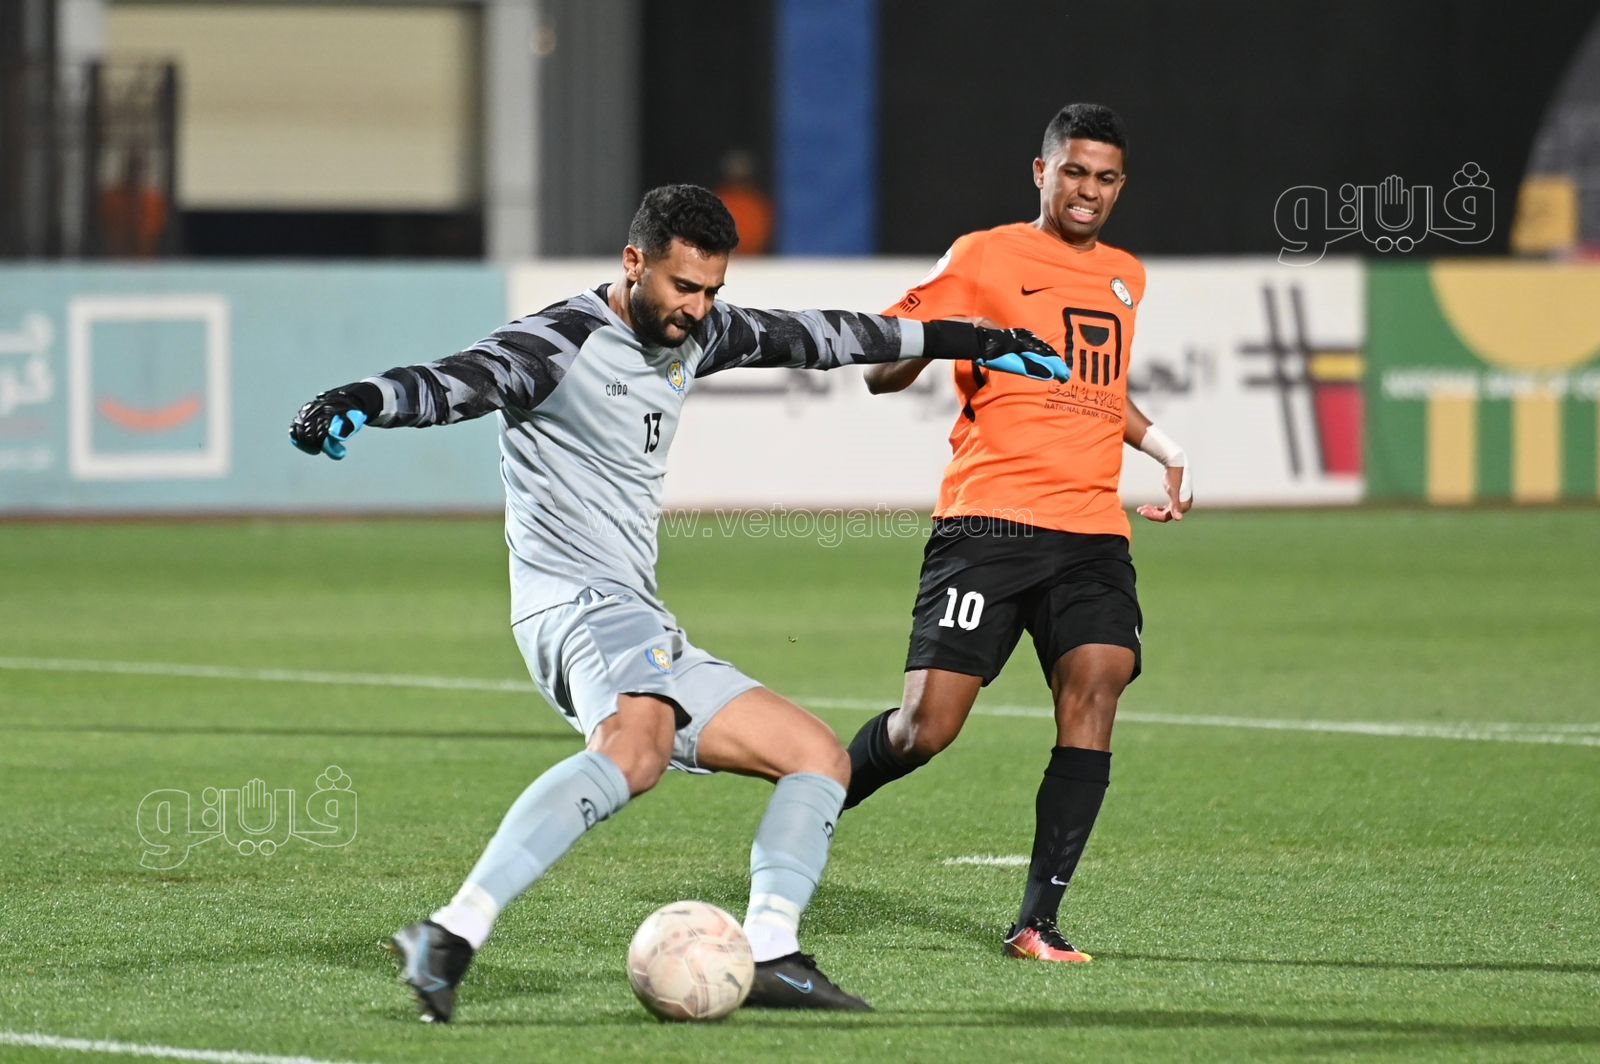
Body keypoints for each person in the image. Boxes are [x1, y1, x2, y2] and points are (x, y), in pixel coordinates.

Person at [287, 184, 1068, 1022]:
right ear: (635, 262)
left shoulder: (701, 332)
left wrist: (975, 340)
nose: (696, 309)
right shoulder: (560, 341)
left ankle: (772, 952)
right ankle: (451, 933)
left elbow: (824, 336)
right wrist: (363, 400)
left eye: (711, 291)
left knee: (817, 758)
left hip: (636, 615)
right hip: (577, 602)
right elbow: (456, 382)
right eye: (683, 287)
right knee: (636, 753)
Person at [842, 104, 1194, 964]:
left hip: (1091, 529)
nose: (1088, 191)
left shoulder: (1126, 276)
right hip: (988, 524)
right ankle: (812, 803)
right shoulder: (983, 255)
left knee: (1099, 681)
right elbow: (881, 371)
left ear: (1120, 186)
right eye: (1073, 172)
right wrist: (953, 336)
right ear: (1041, 172)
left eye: (1105, 178)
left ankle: (1038, 920)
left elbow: (1094, 386)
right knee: (925, 730)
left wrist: (1164, 446)